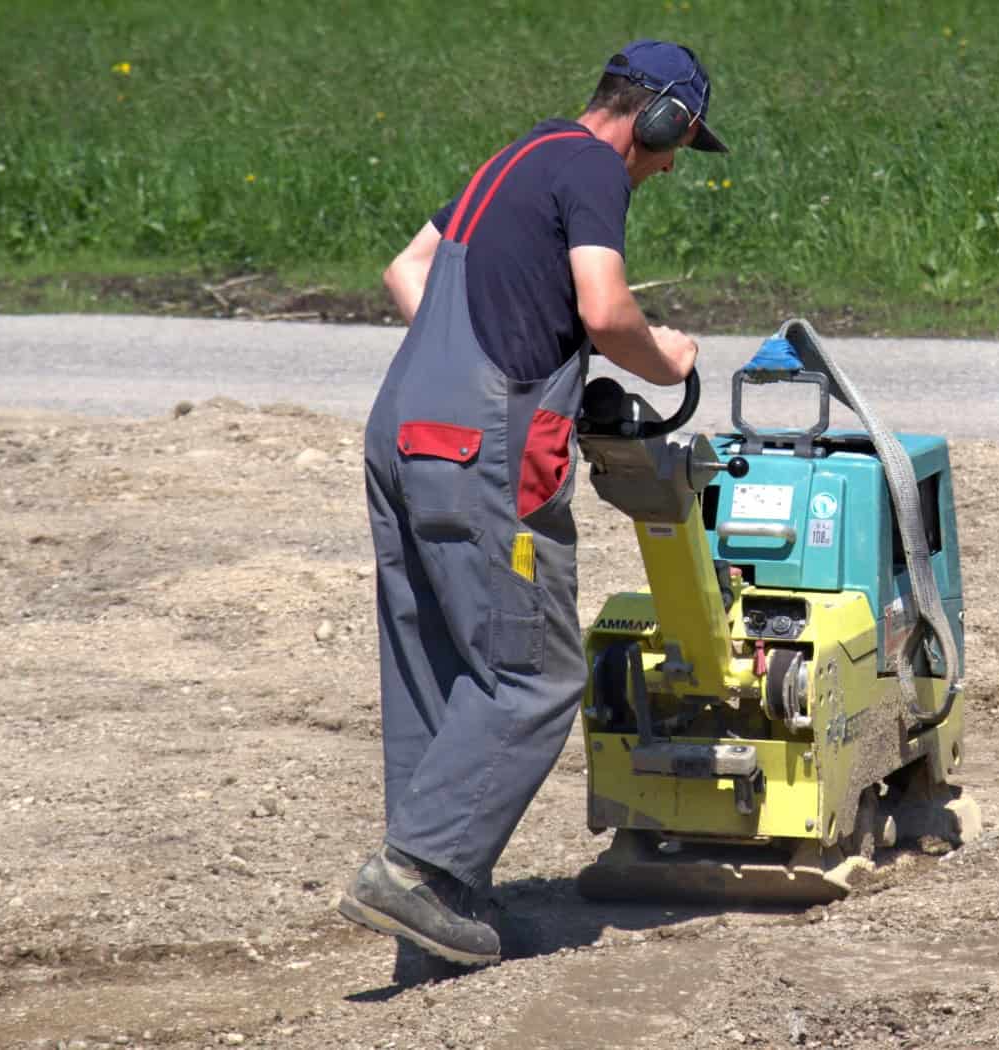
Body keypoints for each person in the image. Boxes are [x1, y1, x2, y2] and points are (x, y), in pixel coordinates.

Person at [338, 40, 728, 967]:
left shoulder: (516, 156)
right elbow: (602, 309)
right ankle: (420, 872)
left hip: (401, 432)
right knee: (534, 672)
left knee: (438, 668)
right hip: (484, 450)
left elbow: (407, 270)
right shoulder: (595, 167)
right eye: (679, 144)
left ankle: (436, 912)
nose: (673, 165)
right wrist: (665, 358)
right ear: (659, 117)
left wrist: (465, 366)